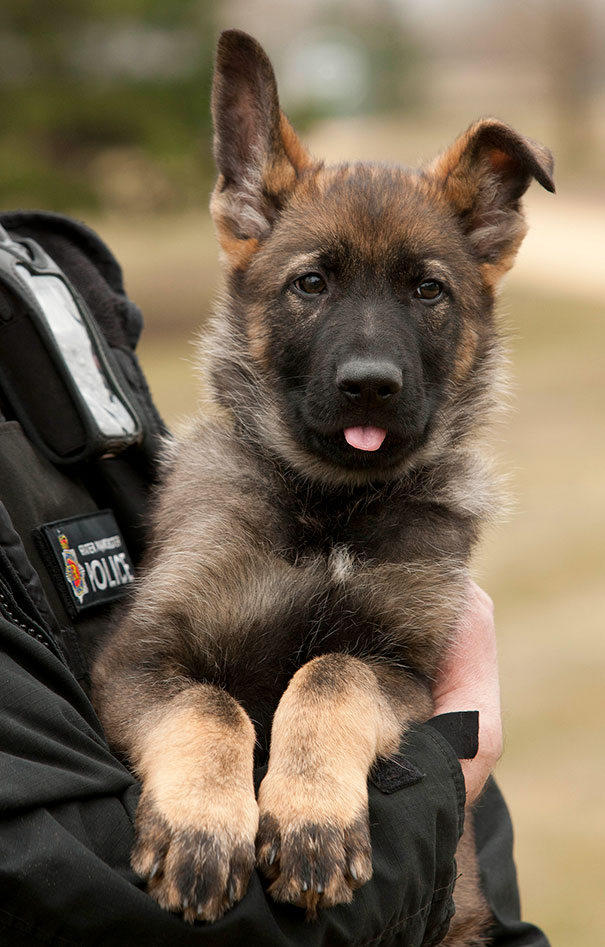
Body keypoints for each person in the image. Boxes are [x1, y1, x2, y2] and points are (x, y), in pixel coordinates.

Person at [0, 210, 549, 946]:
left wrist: (380, 743)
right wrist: (442, 771)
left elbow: (450, 779)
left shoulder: (43, 280)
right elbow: (132, 675)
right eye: (313, 282)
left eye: (425, 289)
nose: (369, 361)